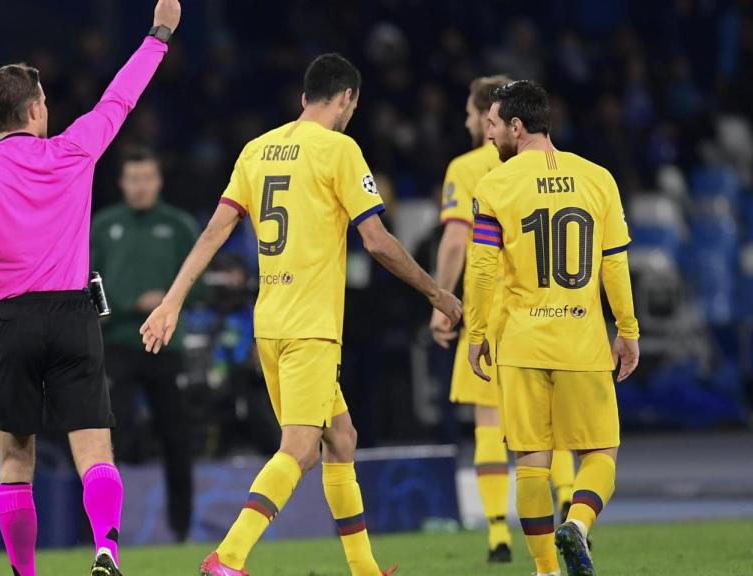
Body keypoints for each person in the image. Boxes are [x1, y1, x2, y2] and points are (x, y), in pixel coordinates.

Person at [141, 53, 462, 576]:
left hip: (268, 322)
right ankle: (228, 556)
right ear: (347, 99)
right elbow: (377, 242)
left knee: (341, 439)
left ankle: (363, 569)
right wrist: (438, 294)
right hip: (310, 327)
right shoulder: (340, 149)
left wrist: (173, 299)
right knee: (300, 449)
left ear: (303, 97)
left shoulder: (257, 150)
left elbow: (215, 231)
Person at [0, 2, 181, 575]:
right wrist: (159, 34)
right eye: (44, 100)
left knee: (15, 458)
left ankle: (26, 572)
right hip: (73, 317)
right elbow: (121, 97)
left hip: (10, 322)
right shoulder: (74, 151)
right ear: (35, 109)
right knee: (93, 446)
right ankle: (106, 549)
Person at [465, 80, 640, 576]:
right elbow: (614, 265)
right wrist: (628, 329)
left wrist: (477, 333)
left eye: (494, 126)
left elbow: (480, 270)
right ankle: (579, 525)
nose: (490, 135)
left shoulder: (494, 186)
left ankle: (545, 571)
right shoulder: (598, 178)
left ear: (517, 127)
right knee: (600, 454)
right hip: (582, 341)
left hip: (520, 343)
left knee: (532, 464)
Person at [430, 75, 580, 563]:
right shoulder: (556, 168)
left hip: (491, 311)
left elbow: (456, 241)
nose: (473, 122)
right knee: (551, 425)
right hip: (548, 313)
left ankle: (498, 533)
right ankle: (571, 512)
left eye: (476, 114)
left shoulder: (473, 169)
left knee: (489, 426)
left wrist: (440, 300)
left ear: (487, 117)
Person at [91, 147, 197, 542]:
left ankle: (182, 529)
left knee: (177, 438)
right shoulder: (103, 226)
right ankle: (104, 531)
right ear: (122, 184)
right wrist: (120, 310)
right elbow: (90, 282)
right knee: (108, 440)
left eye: (147, 178)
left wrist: (169, 301)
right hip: (118, 345)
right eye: (133, 179)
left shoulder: (179, 225)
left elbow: (198, 283)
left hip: (166, 347)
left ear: (159, 181)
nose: (140, 187)